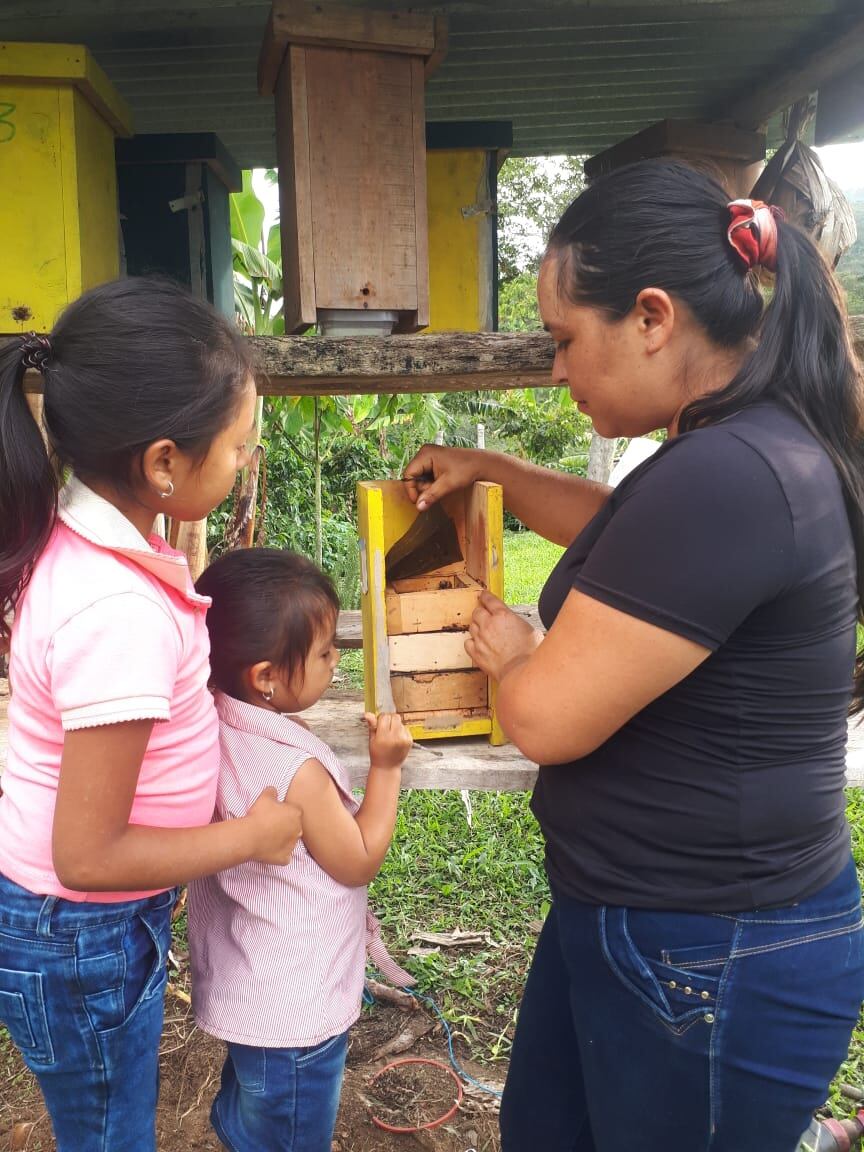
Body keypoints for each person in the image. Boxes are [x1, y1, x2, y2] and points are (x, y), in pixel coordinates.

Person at [404, 159, 864, 1152]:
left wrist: (517, 651)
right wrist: (497, 469)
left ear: (652, 317)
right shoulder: (734, 454)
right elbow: (628, 532)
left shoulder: (730, 475)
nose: (558, 371)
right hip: (659, 925)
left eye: (567, 339)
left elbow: (541, 720)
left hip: (708, 949)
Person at [0, 278, 302, 1152]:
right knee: (108, 1135)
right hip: (77, 929)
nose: (247, 461)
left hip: (79, 926)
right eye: (239, 446)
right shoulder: (116, 611)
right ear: (164, 463)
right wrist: (253, 835)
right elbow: (88, 854)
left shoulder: (102, 548)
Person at [188, 547, 413, 1152]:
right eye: (322, 653)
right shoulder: (298, 771)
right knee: (288, 1135)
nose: (336, 661)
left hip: (250, 990)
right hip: (297, 1012)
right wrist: (386, 767)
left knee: (253, 1115)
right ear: (264, 677)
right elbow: (359, 855)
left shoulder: (215, 721)